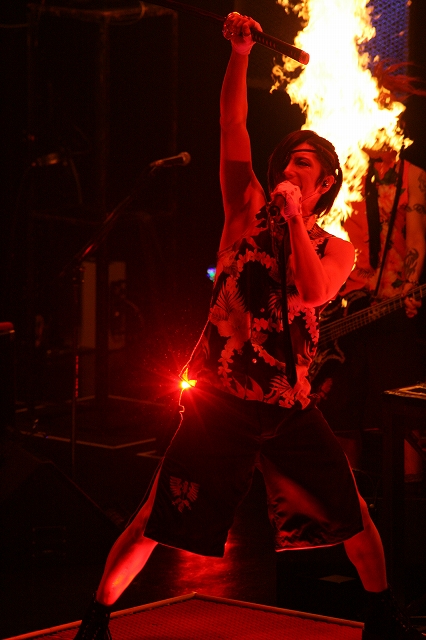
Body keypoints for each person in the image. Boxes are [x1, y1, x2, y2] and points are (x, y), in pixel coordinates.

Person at [73, 14, 424, 640]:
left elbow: (311, 292)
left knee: (354, 515)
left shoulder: (336, 247)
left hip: (288, 407)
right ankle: (96, 620)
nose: (291, 167)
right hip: (221, 401)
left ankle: (381, 619)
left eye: (305, 164)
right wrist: (238, 55)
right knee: (155, 516)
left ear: (324, 185)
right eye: (287, 159)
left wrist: (293, 223)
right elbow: (231, 127)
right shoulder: (243, 209)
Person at [313, 98, 426, 476]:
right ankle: (348, 501)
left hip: (389, 310)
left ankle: (410, 503)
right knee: (339, 419)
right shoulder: (346, 174)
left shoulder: (413, 176)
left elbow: (417, 239)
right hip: (341, 312)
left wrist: (409, 287)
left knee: (403, 420)